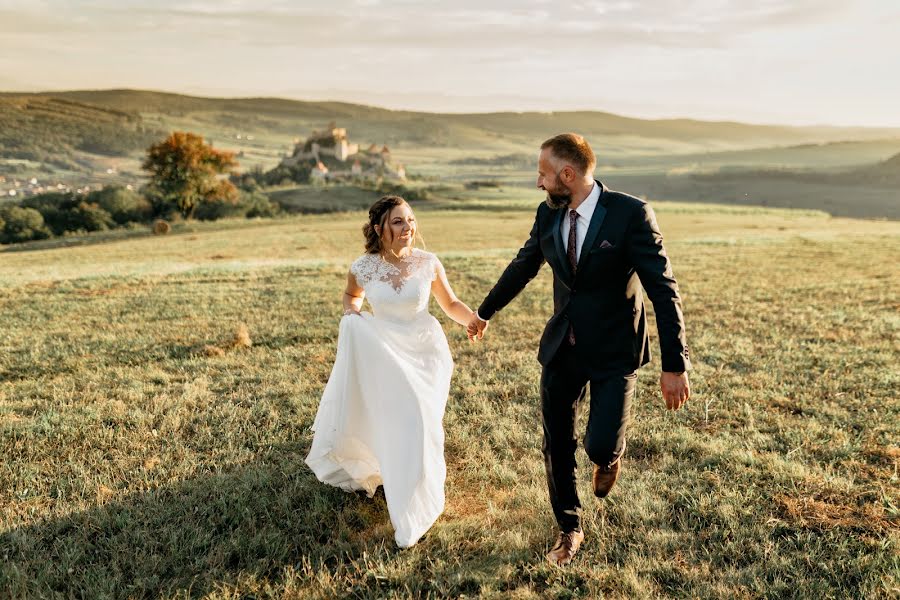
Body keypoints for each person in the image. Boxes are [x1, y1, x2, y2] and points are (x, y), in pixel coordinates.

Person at [466, 133, 692, 566]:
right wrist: (485, 310)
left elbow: (663, 290)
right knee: (556, 442)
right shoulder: (548, 214)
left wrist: (675, 365)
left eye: (543, 174)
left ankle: (609, 457)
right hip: (562, 346)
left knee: (599, 444)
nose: (538, 183)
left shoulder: (630, 215)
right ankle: (569, 528)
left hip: (614, 349)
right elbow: (524, 265)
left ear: (567, 175)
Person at [305, 195, 475, 548]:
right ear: (380, 228)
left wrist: (473, 320)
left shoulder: (428, 263)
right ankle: (403, 489)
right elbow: (352, 296)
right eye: (398, 222)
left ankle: (420, 485)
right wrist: (352, 315)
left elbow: (451, 304)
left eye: (411, 220)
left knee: (422, 419)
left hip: (425, 351)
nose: (408, 228)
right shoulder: (363, 266)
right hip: (383, 349)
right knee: (405, 414)